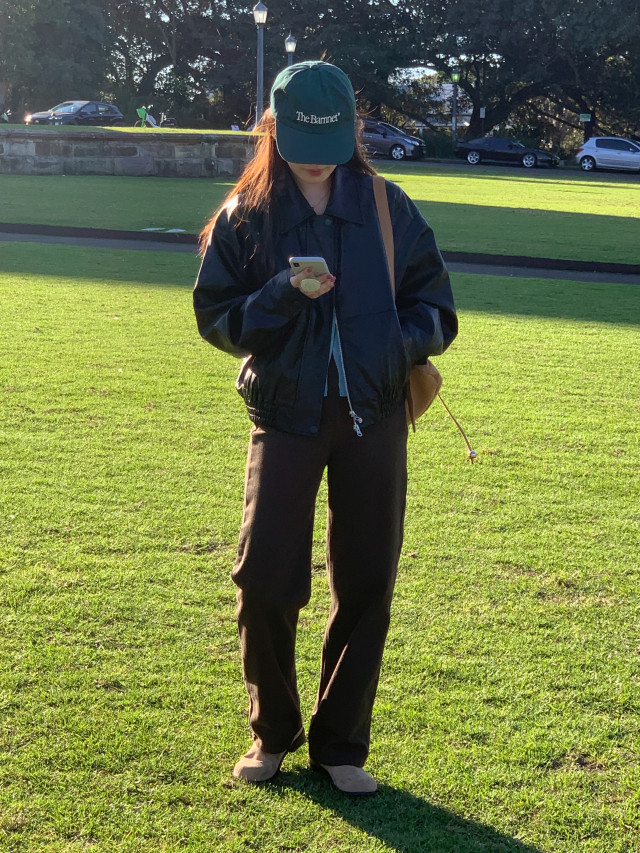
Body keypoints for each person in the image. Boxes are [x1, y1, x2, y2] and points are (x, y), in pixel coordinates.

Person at [193, 61, 457, 795]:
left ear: (352, 132)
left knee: (368, 579)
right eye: (302, 141)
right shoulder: (246, 215)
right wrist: (281, 292)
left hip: (376, 416)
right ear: (272, 130)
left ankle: (342, 745)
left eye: (330, 142)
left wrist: (393, 345)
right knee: (264, 579)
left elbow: (437, 309)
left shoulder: (387, 206)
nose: (316, 158)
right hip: (284, 415)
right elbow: (218, 319)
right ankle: (273, 733)